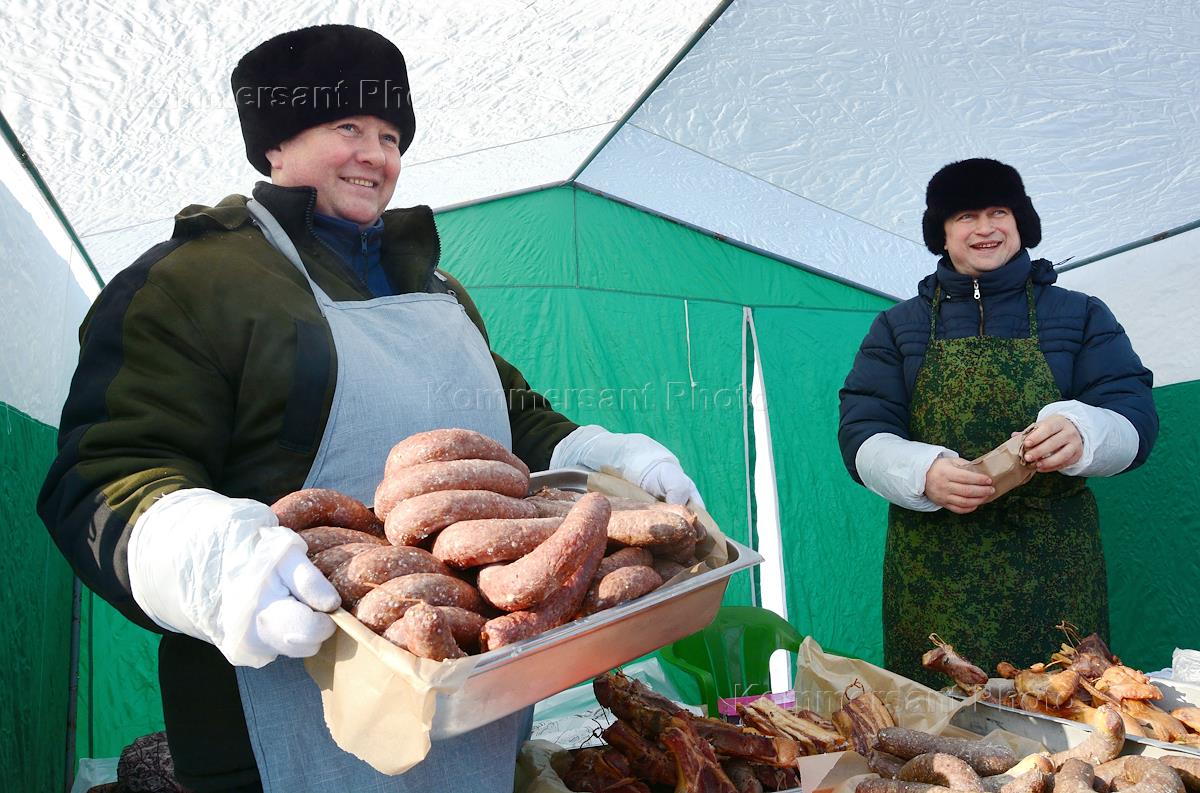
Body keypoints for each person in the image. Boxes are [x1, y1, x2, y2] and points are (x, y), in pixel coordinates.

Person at [39, 24, 703, 793]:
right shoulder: (193, 280)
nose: (375, 155)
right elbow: (103, 472)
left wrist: (603, 453)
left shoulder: (435, 288)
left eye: (391, 135)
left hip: (471, 699)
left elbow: (510, 418)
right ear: (276, 144)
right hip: (278, 713)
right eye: (346, 126)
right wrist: (204, 560)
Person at [837, 158, 1157, 687]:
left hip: (1055, 568)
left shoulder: (1079, 315)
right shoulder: (898, 327)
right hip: (935, 574)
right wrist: (923, 473)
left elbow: (1133, 412)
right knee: (939, 732)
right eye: (965, 216)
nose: (984, 228)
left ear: (1020, 221)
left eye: (997, 212)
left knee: (1066, 713)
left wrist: (1084, 433)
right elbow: (861, 430)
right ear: (941, 232)